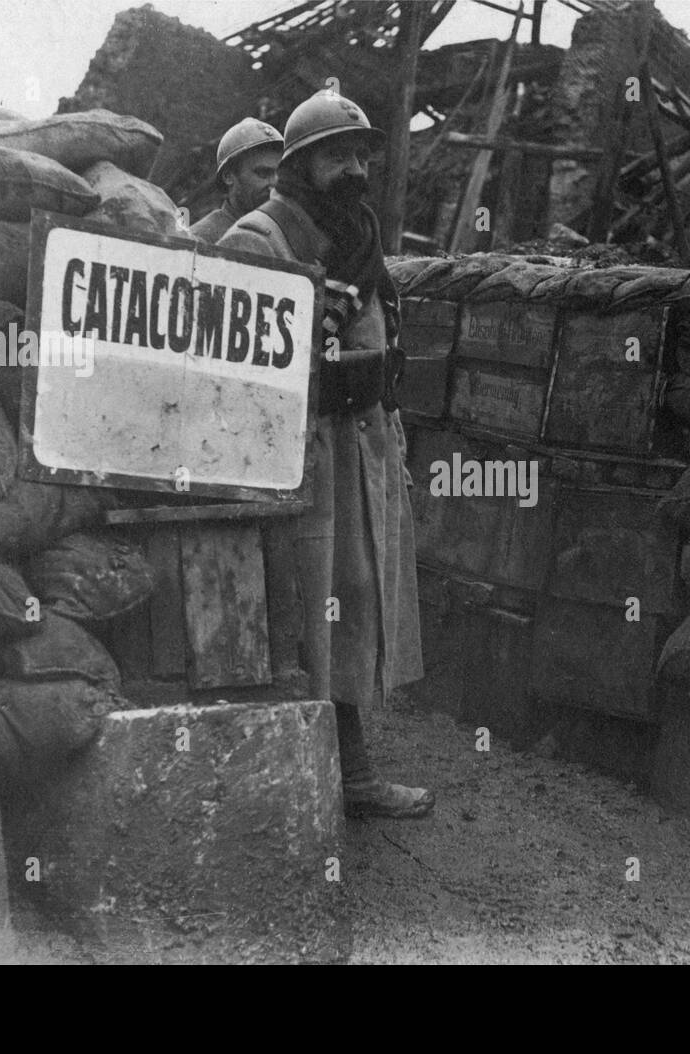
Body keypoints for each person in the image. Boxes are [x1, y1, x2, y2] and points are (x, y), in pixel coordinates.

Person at [219, 90, 434, 819]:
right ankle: (317, 785)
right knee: (310, 615)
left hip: (365, 446)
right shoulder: (261, 237)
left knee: (356, 611)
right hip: (304, 455)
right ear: (300, 164)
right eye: (333, 156)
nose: (351, 169)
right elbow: (242, 368)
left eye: (358, 155)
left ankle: (352, 775)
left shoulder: (362, 236)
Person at [187, 118, 284, 244]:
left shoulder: (285, 233)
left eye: (279, 173)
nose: (274, 183)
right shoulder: (201, 239)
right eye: (263, 173)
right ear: (228, 177)